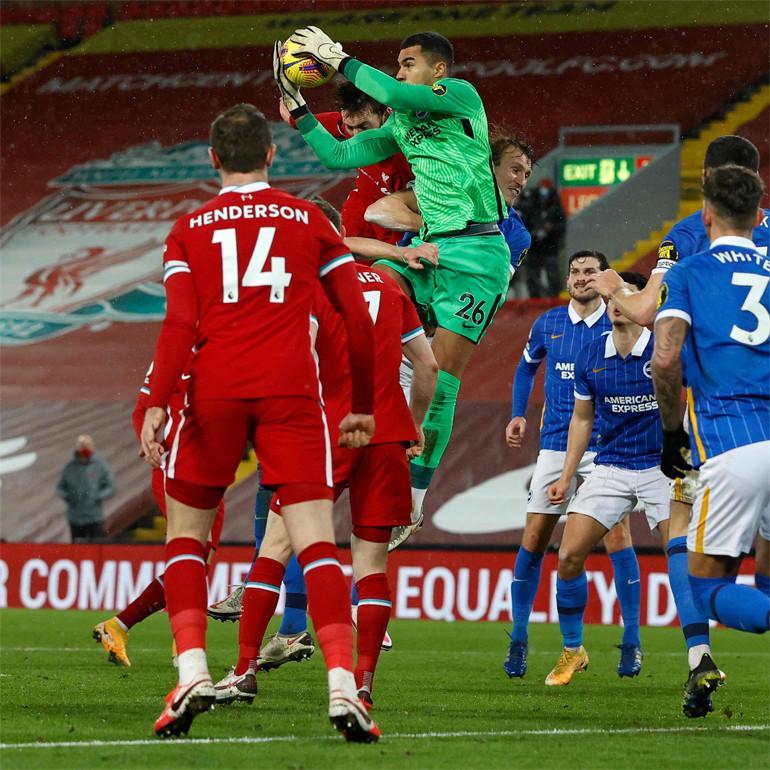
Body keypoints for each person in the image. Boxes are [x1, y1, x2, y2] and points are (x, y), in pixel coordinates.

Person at [140, 103, 379, 742]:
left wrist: (159, 400)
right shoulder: (306, 217)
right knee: (314, 540)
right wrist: (359, 405)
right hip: (290, 394)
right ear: (273, 156)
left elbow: (179, 326)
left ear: (213, 159)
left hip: (214, 391)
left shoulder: (189, 229)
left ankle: (192, 670)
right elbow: (355, 315)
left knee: (187, 536)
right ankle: (341, 687)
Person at [278, 29, 511, 535]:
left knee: (444, 378)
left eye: (408, 63)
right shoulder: (402, 123)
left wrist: (340, 60)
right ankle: (347, 405)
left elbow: (395, 94)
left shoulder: (461, 97)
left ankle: (414, 498)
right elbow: (339, 156)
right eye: (398, 65)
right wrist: (298, 111)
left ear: (438, 71)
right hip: (427, 249)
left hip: (478, 253)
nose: (400, 72)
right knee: (369, 293)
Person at [586, 135, 768, 713]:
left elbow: (652, 327)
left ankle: (698, 657)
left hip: (723, 432)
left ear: (708, 195)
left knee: (694, 554)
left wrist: (615, 285)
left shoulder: (688, 244)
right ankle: (697, 663)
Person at [214, 260, 438, 709]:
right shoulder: (393, 291)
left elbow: (299, 351)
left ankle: (243, 671)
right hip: (386, 434)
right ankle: (362, 685)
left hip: (326, 431)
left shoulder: (313, 285)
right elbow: (428, 367)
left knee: (275, 547)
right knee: (371, 565)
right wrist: (413, 425)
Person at [362, 131, 534, 548]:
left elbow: (474, 295)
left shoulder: (515, 237)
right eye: (515, 169)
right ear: (488, 167)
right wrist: (429, 224)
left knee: (441, 380)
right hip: (408, 300)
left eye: (527, 174)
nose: (522, 180)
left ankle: (413, 506)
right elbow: (376, 211)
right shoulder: (446, 192)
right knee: (373, 285)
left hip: (437, 325)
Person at [652, 164, 770, 716]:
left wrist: (672, 433)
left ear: (706, 214)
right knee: (761, 587)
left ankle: (702, 663)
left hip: (732, 442)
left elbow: (666, 358)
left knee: (702, 591)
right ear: (758, 214)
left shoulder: (691, 272)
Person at [503, 252, 641, 680]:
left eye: (590, 273)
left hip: (607, 447)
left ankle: (631, 640)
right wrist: (518, 412)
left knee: (617, 536)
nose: (581, 279)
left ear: (603, 279)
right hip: (555, 444)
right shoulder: (548, 323)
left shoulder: (620, 317)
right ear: (567, 278)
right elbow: (526, 368)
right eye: (575, 272)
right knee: (533, 536)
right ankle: (520, 637)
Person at [545, 272, 672, 686]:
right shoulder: (589, 354)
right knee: (567, 556)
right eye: (610, 295)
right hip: (611, 467)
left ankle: (697, 657)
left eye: (625, 295)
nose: (615, 302)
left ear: (644, 305)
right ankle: (572, 650)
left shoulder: (665, 349)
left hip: (662, 467)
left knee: (683, 560)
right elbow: (582, 420)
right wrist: (566, 476)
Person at [92, 355, 225, 669]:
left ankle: (119, 626)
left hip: (211, 470)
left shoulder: (221, 344)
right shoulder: (174, 353)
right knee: (196, 548)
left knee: (203, 557)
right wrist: (148, 439)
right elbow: (143, 407)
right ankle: (185, 644)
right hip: (175, 467)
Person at [280, 81, 414, 246]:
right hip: (362, 206)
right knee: (337, 247)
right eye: (350, 128)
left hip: (398, 215)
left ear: (385, 115)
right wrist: (296, 118)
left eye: (363, 128)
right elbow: (330, 122)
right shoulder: (355, 124)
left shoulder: (408, 145)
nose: (356, 136)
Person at [56, 435, 115, 542]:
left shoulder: (99, 466)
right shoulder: (70, 468)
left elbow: (111, 487)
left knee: (97, 548)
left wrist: (98, 496)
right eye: (82, 447)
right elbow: (60, 488)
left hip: (94, 517)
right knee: (79, 550)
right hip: (76, 518)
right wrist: (68, 497)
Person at [517, 179, 566, 297]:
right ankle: (535, 296)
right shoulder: (531, 205)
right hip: (535, 246)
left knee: (552, 271)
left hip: (550, 246)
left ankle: (554, 295)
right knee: (533, 273)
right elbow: (524, 223)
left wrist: (551, 228)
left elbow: (561, 225)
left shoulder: (555, 206)